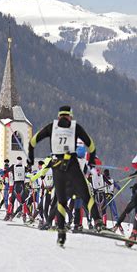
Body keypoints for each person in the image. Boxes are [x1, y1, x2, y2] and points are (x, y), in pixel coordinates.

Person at [28, 105, 105, 246]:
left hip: (57, 166)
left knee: (61, 202)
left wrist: (30, 159)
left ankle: (61, 233)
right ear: (70, 116)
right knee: (86, 196)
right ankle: (98, 221)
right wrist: (92, 160)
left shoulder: (51, 127)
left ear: (58, 117)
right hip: (72, 165)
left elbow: (32, 142)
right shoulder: (75, 127)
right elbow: (92, 145)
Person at [4, 156, 29, 221]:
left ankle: (8, 215)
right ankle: (25, 215)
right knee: (23, 202)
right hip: (22, 186)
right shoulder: (24, 167)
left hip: (15, 186)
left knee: (11, 201)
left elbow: (6, 171)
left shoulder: (13, 166)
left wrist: (6, 169)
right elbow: (29, 170)